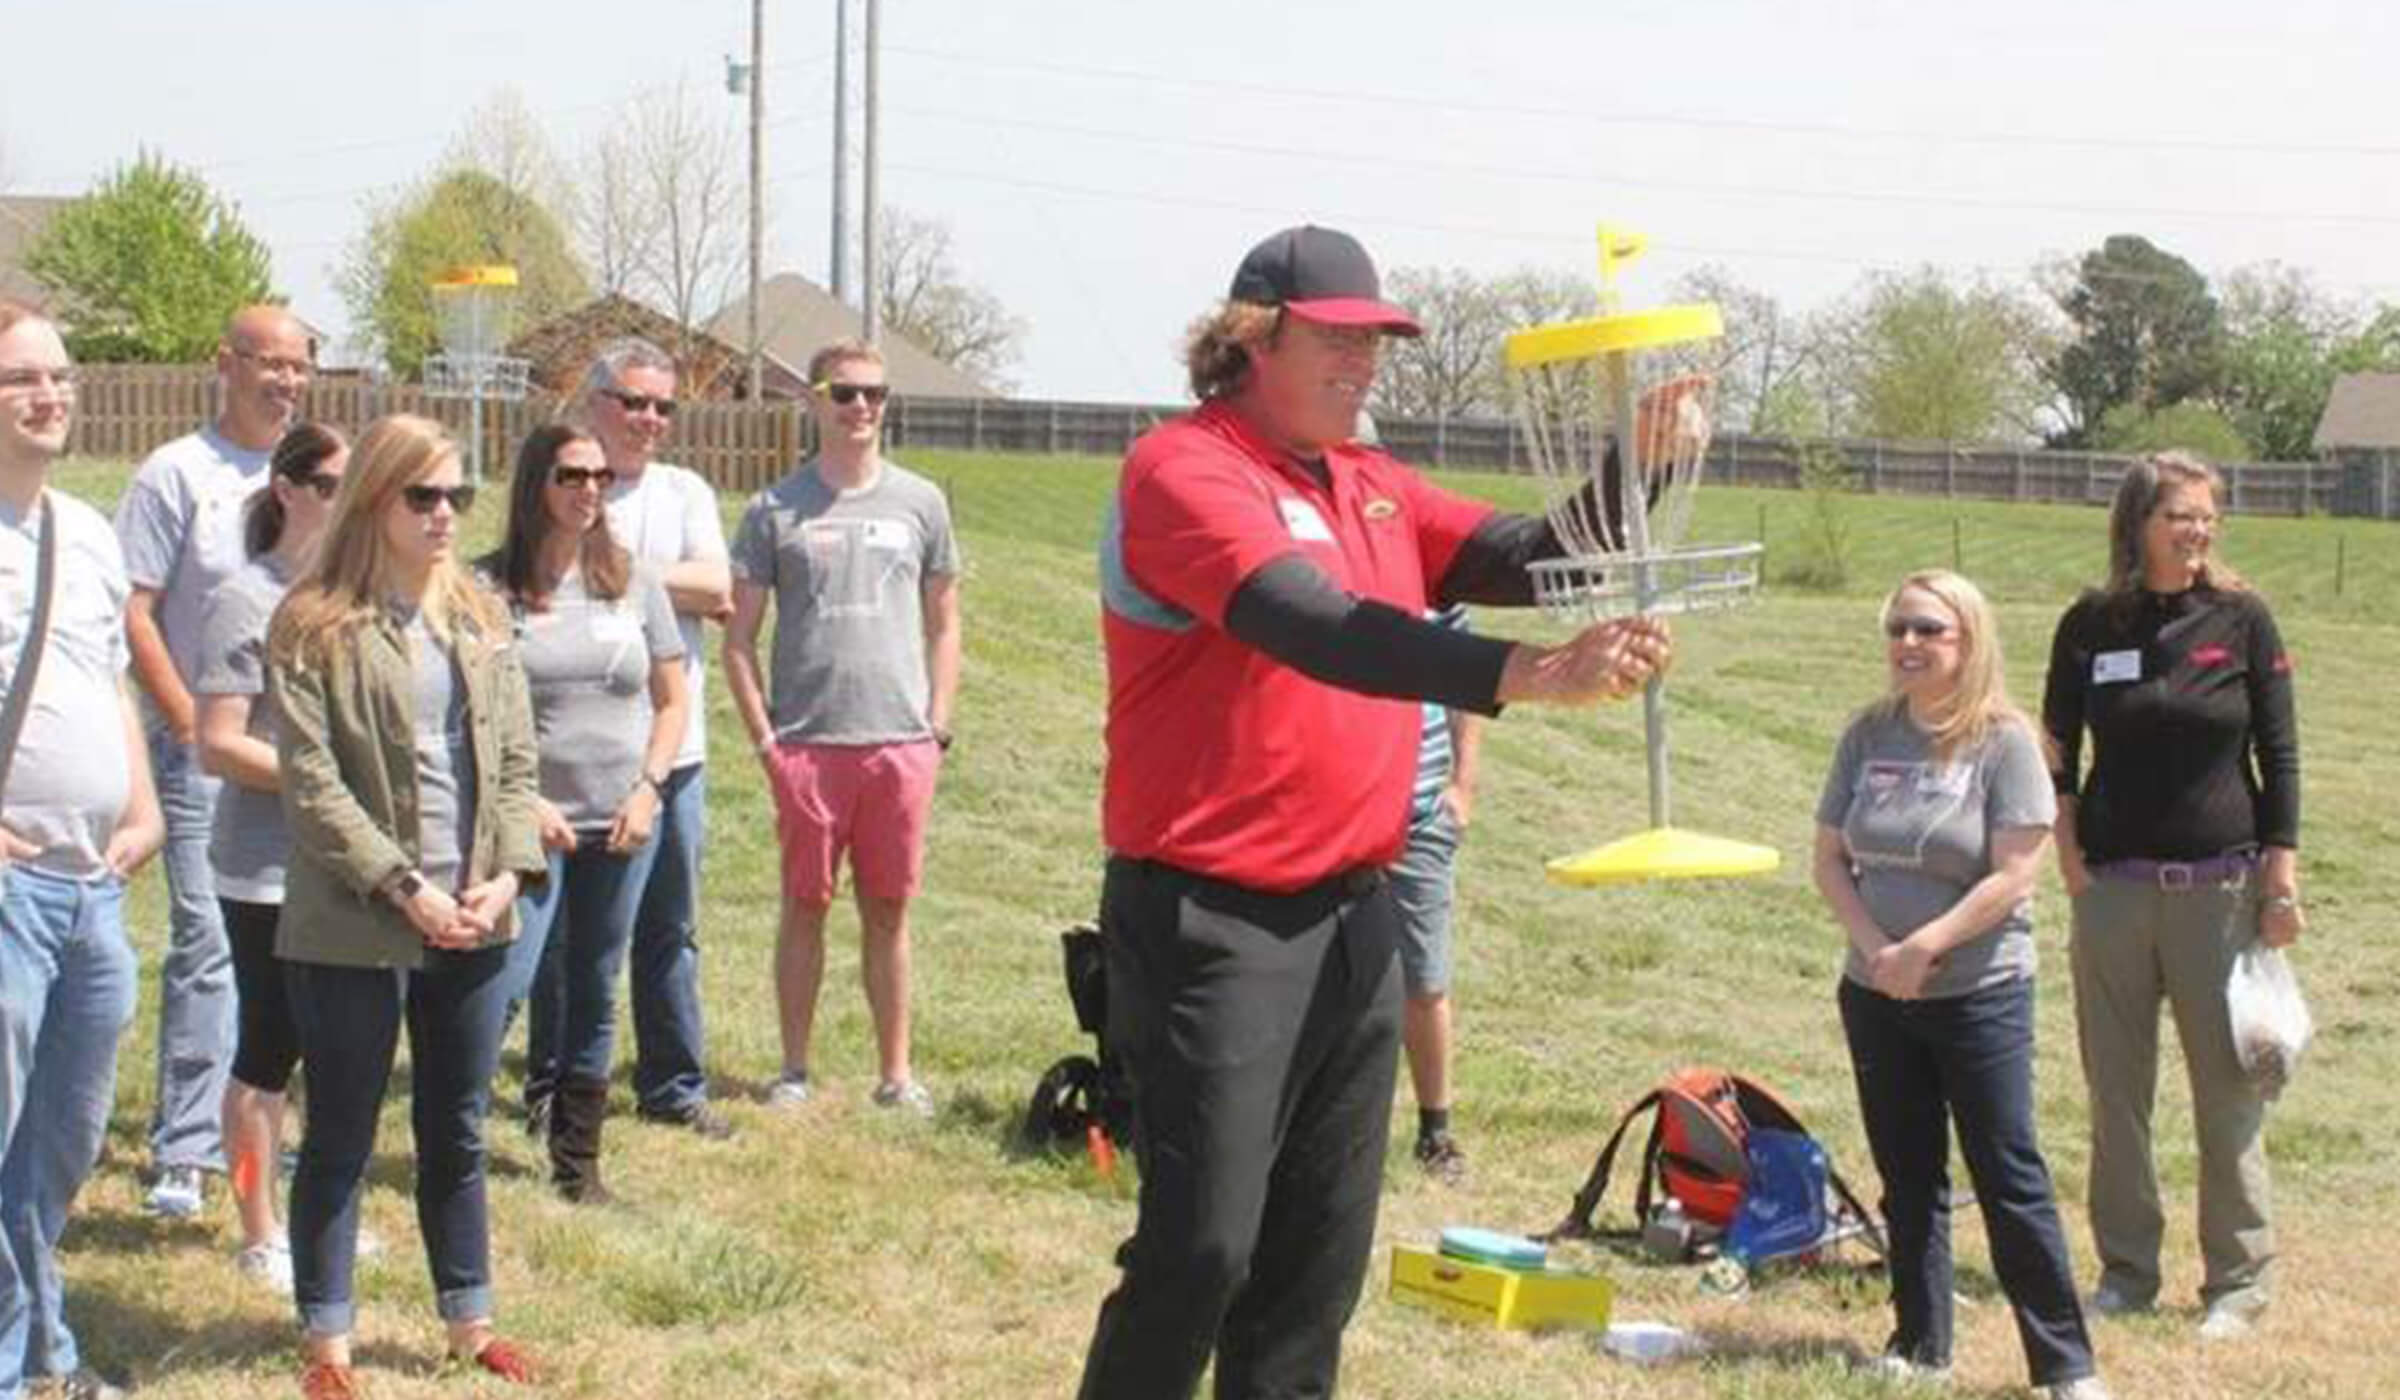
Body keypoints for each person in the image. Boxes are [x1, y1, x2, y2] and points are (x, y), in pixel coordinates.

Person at [1079, 224, 1670, 1399]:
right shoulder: (1183, 470)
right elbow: (1306, 621)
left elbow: (1528, 553)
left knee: (1316, 1264)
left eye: (1376, 341)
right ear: (1254, 339)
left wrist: (1635, 466)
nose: (1365, 363)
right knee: (1201, 1249)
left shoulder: (1371, 483)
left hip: (1356, 919)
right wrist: (1525, 673)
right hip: (1212, 922)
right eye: (1338, 339)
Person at [266, 414, 547, 1396]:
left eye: (457, 497)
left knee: (456, 1127)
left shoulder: (481, 615)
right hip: (354, 921)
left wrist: (507, 873)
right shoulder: (312, 622)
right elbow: (311, 785)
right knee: (342, 1128)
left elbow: (515, 762)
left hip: (476, 911)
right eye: (421, 496)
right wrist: (406, 887)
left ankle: (470, 1321)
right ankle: (328, 1345)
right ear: (374, 500)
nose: (443, 516)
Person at [1813, 570, 2108, 1400]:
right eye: (1898, 628)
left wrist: (1926, 947)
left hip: (1980, 993)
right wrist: (1878, 951)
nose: (1908, 644)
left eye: (1929, 631)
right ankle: (1920, 1345)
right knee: (1908, 1175)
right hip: (1875, 989)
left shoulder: (2007, 742)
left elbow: (2016, 875)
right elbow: (1829, 858)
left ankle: (2065, 1368)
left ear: (1968, 641)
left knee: (2008, 1172)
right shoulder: (1867, 734)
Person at [2042, 452, 2302, 1342]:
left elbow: (2281, 754)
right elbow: (2055, 754)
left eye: (2205, 516)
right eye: (2178, 516)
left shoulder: (2243, 619)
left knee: (2228, 1092)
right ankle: (2126, 1271)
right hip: (2113, 892)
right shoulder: (2089, 624)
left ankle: (2238, 1280)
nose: (2196, 531)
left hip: (2218, 890)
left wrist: (2281, 874)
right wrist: (2071, 861)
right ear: (2136, 522)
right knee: (2117, 1094)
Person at [725, 339, 962, 1115]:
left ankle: (897, 1075)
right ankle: (793, 1070)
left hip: (897, 744)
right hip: (807, 744)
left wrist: (936, 728)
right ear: (814, 400)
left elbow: (945, 622)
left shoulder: (922, 503)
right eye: (845, 393)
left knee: (889, 911)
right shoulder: (773, 510)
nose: (861, 407)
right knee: (806, 905)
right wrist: (769, 745)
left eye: (875, 394)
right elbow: (737, 641)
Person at [115, 304, 314, 1219]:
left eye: (299, 365)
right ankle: (188, 1150)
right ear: (224, 364)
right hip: (203, 750)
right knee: (208, 944)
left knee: (296, 947)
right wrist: (193, 725)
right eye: (267, 362)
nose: (284, 379)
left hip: (303, 758)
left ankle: (274, 1135)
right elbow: (137, 611)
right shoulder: (176, 474)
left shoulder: (317, 469)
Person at [0, 301, 164, 1400]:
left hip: (92, 883)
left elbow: (109, 687)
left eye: (58, 374)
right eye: (20, 378)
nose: (48, 394)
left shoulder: (89, 534)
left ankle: (39, 1342)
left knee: (64, 1136)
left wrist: (143, 808)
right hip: (8, 886)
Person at [485, 424, 688, 1203]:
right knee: (506, 980)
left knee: (596, 985)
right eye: (573, 475)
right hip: (529, 825)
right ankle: (457, 1135)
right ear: (538, 482)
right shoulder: (488, 588)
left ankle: (578, 1165)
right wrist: (523, 801)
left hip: (623, 821)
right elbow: (473, 717)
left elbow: (671, 700)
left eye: (601, 477)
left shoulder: (634, 582)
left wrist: (649, 788)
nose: (590, 491)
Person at [560, 339, 734, 1140]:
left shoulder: (684, 490)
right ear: (594, 401)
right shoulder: (566, 482)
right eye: (633, 402)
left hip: (675, 752)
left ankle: (673, 1084)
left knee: (670, 928)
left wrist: (620, 572)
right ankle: (554, 1085)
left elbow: (719, 587)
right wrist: (664, 579)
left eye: (663, 406)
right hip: (578, 762)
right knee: (570, 937)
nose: (649, 420)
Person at [192, 422, 347, 1296]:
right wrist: (327, 784)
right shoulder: (242, 600)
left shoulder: (351, 595)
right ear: (286, 490)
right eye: (330, 485)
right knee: (267, 1051)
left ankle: (317, 1224)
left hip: (342, 865)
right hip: (264, 867)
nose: (344, 502)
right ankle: (258, 1230)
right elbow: (219, 744)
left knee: (338, 1053)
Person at [1392, 605, 1483, 1183]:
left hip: (1420, 813)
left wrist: (1463, 784)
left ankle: (1435, 1133)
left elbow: (1468, 680)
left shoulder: (1437, 585)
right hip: (1330, 814)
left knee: (1424, 982)